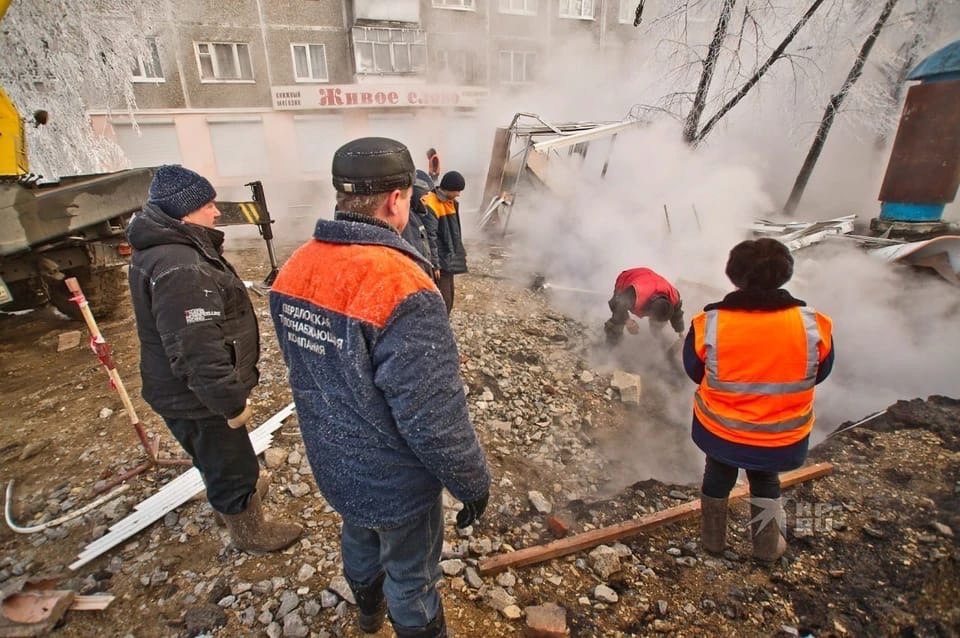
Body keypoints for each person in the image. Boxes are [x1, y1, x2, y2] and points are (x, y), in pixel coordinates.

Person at [270, 137, 490, 637]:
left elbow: (307, 369)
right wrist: (472, 483)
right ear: (396, 199)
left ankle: (367, 615)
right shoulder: (403, 286)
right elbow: (433, 416)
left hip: (332, 460)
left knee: (359, 536)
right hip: (395, 480)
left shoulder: (295, 268)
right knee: (412, 580)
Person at [127, 164, 302, 554]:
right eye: (208, 205)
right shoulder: (180, 267)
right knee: (230, 462)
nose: (217, 211)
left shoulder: (171, 249)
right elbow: (196, 350)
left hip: (186, 393)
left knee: (217, 454)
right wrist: (230, 402)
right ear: (184, 211)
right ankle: (249, 531)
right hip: (197, 398)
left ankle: (237, 499)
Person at [682, 238, 834, 562]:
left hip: (721, 431)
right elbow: (819, 373)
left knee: (718, 473)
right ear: (785, 275)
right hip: (782, 436)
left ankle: (712, 541)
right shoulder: (812, 325)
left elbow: (694, 371)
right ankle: (766, 547)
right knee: (765, 478)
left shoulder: (709, 324)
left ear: (734, 276)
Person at [421, 170, 467, 314]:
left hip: (448, 259)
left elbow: (455, 232)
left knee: (449, 297)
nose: (459, 194)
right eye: (457, 190)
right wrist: (435, 264)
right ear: (448, 188)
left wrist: (459, 252)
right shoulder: (431, 203)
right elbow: (430, 238)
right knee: (443, 300)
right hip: (440, 262)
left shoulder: (450, 202)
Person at [605, 267, 685, 346]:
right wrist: (627, 321)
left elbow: (677, 315)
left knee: (659, 324)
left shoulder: (673, 296)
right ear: (649, 310)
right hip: (629, 277)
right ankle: (611, 343)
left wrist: (681, 333)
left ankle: (660, 343)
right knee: (618, 319)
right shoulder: (635, 294)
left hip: (650, 278)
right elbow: (615, 303)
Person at [400, 169, 440, 283]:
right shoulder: (407, 220)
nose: (427, 198)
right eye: (425, 193)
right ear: (415, 193)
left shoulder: (417, 216)